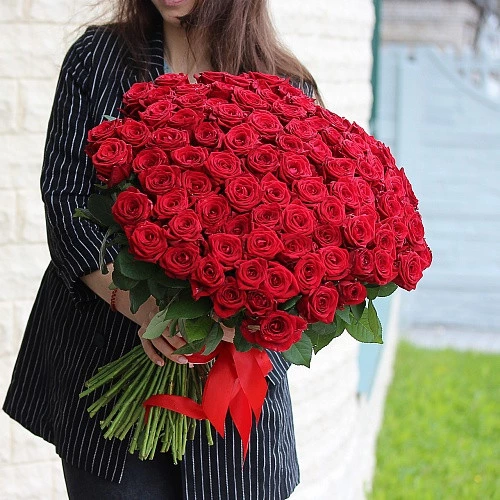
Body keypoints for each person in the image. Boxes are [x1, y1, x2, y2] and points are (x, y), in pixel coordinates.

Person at [3, 0, 321, 498]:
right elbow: (65, 199)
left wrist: (224, 317)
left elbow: (309, 246)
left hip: (235, 391)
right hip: (107, 370)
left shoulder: (289, 89)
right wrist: (144, 309)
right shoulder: (98, 58)